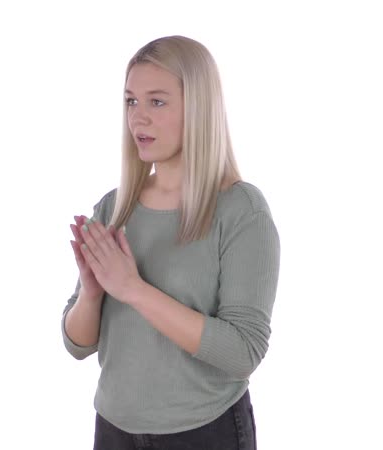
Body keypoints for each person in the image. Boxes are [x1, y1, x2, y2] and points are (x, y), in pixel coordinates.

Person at [61, 35, 280, 450]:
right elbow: (77, 344)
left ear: (199, 108)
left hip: (204, 431)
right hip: (114, 430)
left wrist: (133, 289)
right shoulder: (114, 207)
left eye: (157, 102)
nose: (138, 117)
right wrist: (92, 293)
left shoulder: (241, 211)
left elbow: (243, 353)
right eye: (131, 101)